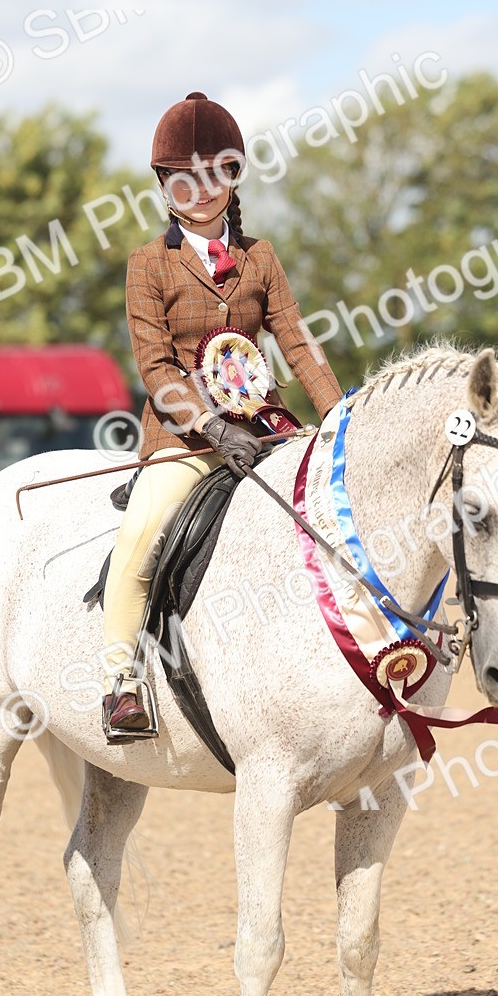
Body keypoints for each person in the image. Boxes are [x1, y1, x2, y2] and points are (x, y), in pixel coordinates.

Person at [102, 91, 343, 741]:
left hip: (266, 425)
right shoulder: (148, 264)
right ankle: (122, 683)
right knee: (141, 539)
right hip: (187, 437)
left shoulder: (260, 257)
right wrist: (211, 429)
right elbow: (155, 368)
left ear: (233, 176)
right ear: (164, 184)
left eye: (215, 174)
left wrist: (341, 415)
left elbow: (298, 342)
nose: (200, 190)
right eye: (184, 178)